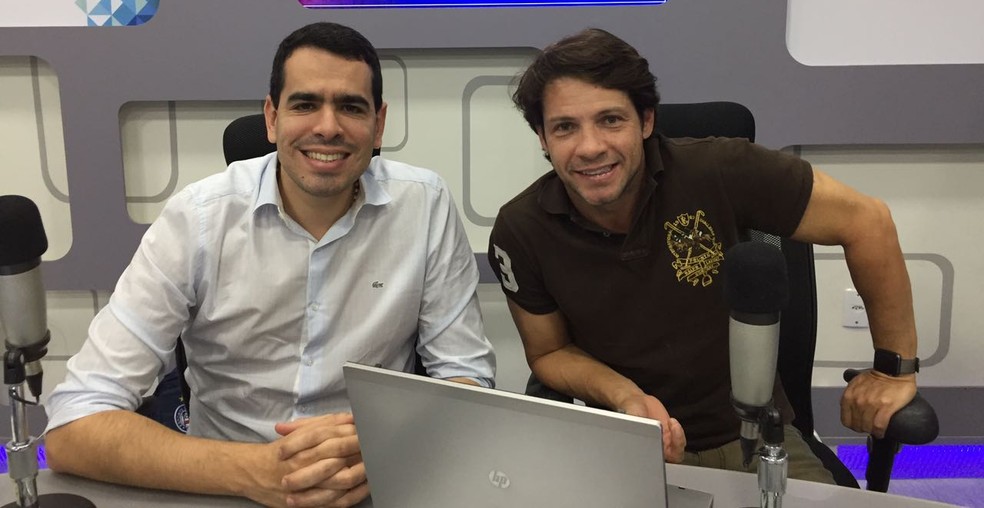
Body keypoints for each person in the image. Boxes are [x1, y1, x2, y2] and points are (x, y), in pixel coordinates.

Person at [44, 22, 495, 508]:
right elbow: (74, 423)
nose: (328, 126)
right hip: (224, 488)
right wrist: (253, 471)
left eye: (351, 106)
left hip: (373, 480)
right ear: (272, 118)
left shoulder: (424, 206)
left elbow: (466, 382)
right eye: (305, 104)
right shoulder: (197, 218)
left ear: (379, 124)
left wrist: (382, 446)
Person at [488, 28, 918, 483]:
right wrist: (624, 397)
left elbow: (868, 221)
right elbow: (549, 350)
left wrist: (893, 371)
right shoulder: (522, 229)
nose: (590, 146)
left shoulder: (720, 169)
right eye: (565, 127)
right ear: (542, 137)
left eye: (611, 120)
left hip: (754, 438)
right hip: (629, 443)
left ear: (646, 121)